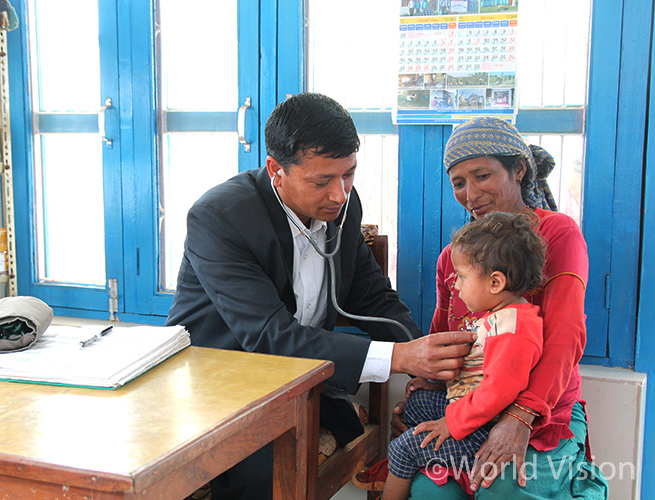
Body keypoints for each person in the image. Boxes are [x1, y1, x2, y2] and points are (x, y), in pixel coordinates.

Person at [165, 92, 475, 500]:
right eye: (321, 180)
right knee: (263, 480)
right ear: (276, 170)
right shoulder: (221, 217)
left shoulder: (342, 208)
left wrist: (424, 358)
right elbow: (270, 337)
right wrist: (400, 358)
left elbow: (371, 293)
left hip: (296, 380)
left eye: (348, 174)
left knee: (346, 425)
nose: (339, 194)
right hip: (222, 380)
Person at [353, 116, 608, 499]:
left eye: (482, 176)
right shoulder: (451, 260)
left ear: (519, 170)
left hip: (542, 408)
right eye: (459, 183)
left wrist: (520, 418)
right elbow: (447, 341)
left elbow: (565, 336)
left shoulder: (557, 234)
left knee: (499, 487)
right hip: (469, 404)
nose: (470, 195)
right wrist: (421, 392)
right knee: (429, 492)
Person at [381, 211, 546, 500]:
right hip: (475, 417)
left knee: (403, 447)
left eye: (462, 276)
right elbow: (479, 373)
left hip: (484, 431)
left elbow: (498, 392)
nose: (455, 284)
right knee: (417, 403)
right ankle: (431, 461)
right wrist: (439, 384)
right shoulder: (501, 316)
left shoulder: (512, 329)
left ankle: (409, 466)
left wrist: (451, 424)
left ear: (495, 283)